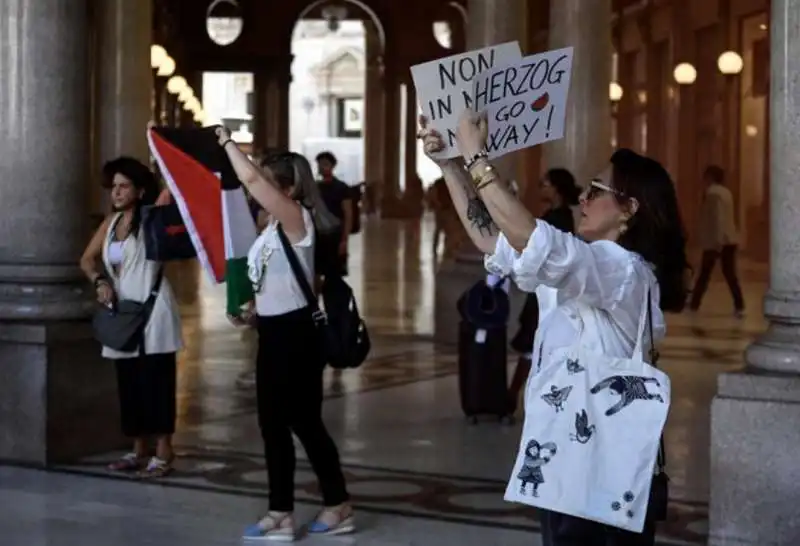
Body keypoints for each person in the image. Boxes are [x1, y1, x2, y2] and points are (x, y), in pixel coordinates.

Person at [418, 109, 688, 546]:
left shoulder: (624, 273)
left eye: (596, 190)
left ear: (630, 209)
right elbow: (494, 239)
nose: (582, 198)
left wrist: (475, 156)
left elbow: (532, 238)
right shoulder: (586, 264)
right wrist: (451, 164)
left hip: (603, 467)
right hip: (564, 461)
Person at [217, 130, 353, 541]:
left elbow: (252, 181)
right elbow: (289, 281)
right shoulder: (273, 228)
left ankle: (338, 504)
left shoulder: (298, 218)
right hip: (274, 331)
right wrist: (254, 311)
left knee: (304, 423)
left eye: (268, 183)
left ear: (289, 188)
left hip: (297, 335)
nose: (258, 189)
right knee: (271, 424)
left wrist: (228, 143)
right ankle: (281, 512)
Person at [79, 157, 183, 478]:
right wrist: (99, 281)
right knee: (129, 381)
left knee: (158, 380)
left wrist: (164, 186)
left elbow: (174, 204)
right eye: (114, 187)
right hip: (123, 312)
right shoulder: (110, 223)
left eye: (124, 186)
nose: (118, 192)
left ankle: (164, 450)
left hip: (154, 309)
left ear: (139, 190)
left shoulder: (152, 217)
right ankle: (139, 448)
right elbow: (86, 260)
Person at [508, 168, 581, 412]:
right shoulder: (557, 215)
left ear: (556, 188)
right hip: (545, 290)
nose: (541, 188)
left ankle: (514, 396)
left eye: (544, 183)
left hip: (548, 293)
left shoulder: (559, 218)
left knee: (533, 344)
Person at [689, 165, 744, 316]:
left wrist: (717, 240)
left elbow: (717, 217)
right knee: (729, 273)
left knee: (705, 273)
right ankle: (739, 303)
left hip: (717, 240)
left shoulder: (712, 193)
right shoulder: (726, 193)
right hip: (728, 238)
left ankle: (694, 303)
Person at [315, 151, 353, 280]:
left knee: (334, 275)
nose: (322, 167)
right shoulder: (314, 188)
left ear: (332, 166)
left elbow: (348, 215)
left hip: (335, 237)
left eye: (325, 164)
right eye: (319, 164)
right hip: (318, 236)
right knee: (315, 272)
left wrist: (344, 240)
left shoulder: (342, 188)